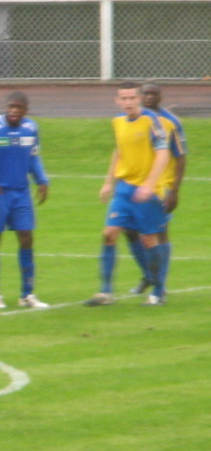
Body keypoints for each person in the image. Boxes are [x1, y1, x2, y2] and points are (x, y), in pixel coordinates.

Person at [84, 81, 170, 307]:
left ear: (139, 98)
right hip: (124, 190)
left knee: (149, 239)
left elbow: (163, 154)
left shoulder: (151, 121)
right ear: (117, 100)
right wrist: (107, 182)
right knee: (109, 233)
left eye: (132, 98)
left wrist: (150, 185)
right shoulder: (117, 122)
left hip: (147, 191)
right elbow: (119, 151)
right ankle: (106, 292)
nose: (128, 102)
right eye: (123, 98)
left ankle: (159, 291)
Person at [0, 91, 50, 310]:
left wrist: (42, 180)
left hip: (21, 193)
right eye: (11, 107)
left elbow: (33, 157)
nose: (14, 111)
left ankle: (28, 294)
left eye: (18, 108)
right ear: (6, 107)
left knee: (26, 237)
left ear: (25, 110)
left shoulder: (31, 129)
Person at [124, 81, 187, 303]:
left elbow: (180, 157)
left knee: (158, 233)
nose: (149, 97)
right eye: (146, 94)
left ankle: (159, 289)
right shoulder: (132, 119)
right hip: (136, 183)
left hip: (162, 186)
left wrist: (174, 191)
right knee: (129, 230)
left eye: (153, 94)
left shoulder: (171, 122)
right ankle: (150, 274)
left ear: (160, 97)